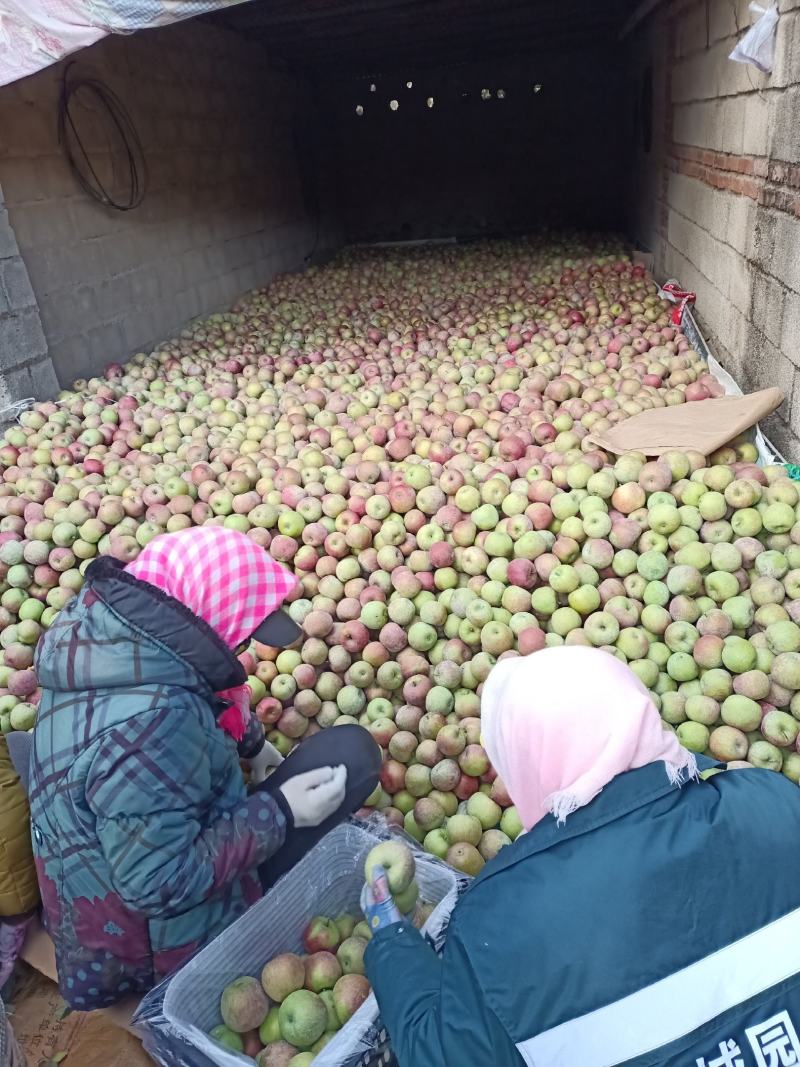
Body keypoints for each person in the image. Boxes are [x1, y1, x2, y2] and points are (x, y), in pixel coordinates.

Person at [363, 646, 800, 1067]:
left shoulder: (498, 918)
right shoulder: (770, 801)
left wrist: (390, 940)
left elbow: (447, 1056)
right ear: (640, 716)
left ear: (523, 762)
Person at [28, 526, 381, 1011]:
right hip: (141, 946)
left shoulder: (104, 637)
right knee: (352, 757)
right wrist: (281, 811)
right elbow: (156, 882)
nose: (240, 651)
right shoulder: (156, 726)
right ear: (202, 615)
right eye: (237, 637)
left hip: (90, 896)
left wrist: (252, 744)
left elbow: (198, 697)